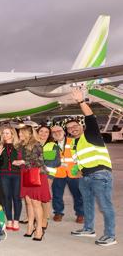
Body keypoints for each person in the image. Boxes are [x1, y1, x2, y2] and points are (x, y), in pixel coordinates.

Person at [69, 88, 116, 246]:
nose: (72, 129)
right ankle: (88, 229)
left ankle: (110, 236)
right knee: (87, 204)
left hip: (100, 175)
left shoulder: (91, 134)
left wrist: (81, 101)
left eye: (75, 126)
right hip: (86, 177)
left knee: (105, 205)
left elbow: (90, 117)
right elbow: (79, 161)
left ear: (81, 126)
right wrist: (78, 171)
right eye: (69, 128)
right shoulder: (75, 144)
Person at [15, 126, 50, 241]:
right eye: (19, 133)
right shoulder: (21, 145)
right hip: (25, 175)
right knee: (28, 202)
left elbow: (40, 162)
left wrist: (23, 162)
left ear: (28, 133)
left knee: (36, 203)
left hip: (35, 176)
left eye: (21, 133)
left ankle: (39, 229)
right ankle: (30, 226)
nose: (19, 135)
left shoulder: (36, 144)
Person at [49, 124, 84, 224]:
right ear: (52, 135)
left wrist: (79, 170)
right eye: (54, 132)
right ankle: (58, 213)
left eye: (59, 131)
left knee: (78, 195)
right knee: (57, 195)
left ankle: (80, 214)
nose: (57, 133)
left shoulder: (73, 142)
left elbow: (80, 157)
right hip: (58, 174)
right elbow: (49, 161)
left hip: (74, 173)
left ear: (64, 132)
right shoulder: (50, 145)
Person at [0, 126, 22, 231]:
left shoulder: (19, 146)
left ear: (12, 134)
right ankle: (9, 220)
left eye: (7, 133)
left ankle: (16, 220)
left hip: (17, 174)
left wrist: (21, 162)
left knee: (16, 197)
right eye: (4, 133)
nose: (5, 135)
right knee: (7, 197)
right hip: (4, 174)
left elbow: (24, 159)